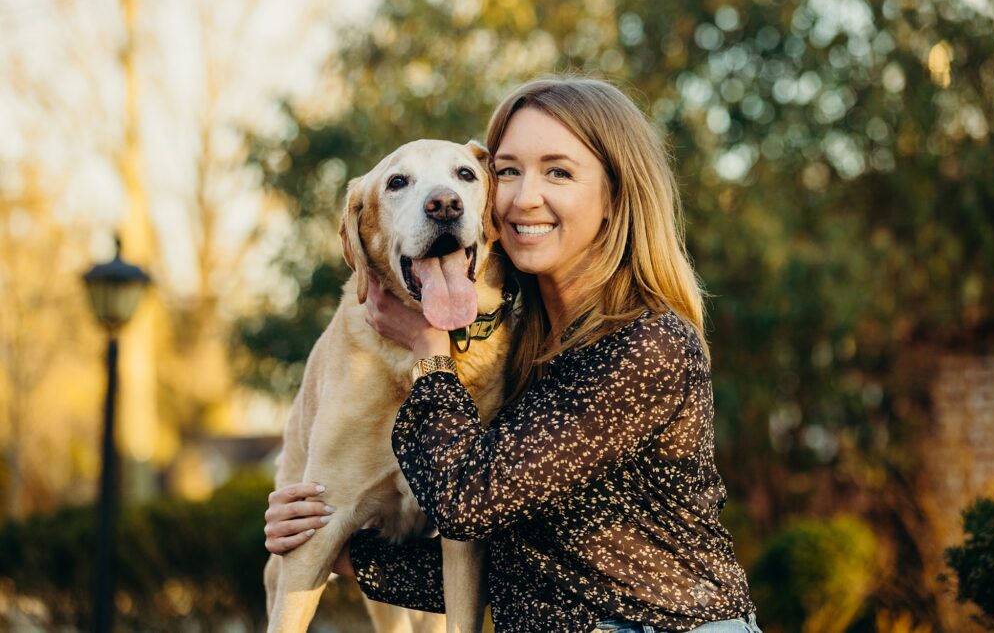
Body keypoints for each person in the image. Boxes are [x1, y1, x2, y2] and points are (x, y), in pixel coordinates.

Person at [263, 77, 760, 633]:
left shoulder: (649, 346)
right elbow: (515, 564)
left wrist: (430, 347)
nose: (525, 197)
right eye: (508, 171)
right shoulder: (525, 342)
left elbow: (468, 504)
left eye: (559, 172)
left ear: (614, 198)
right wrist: (330, 545)